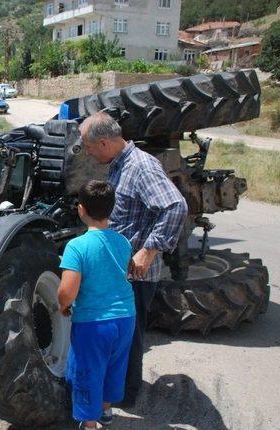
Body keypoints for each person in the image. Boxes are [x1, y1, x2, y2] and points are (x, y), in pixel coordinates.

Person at [79, 112, 188, 407]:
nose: (87, 153)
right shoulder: (119, 166)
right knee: (119, 336)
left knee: (129, 338)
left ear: (103, 142)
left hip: (137, 273)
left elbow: (175, 206)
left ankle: (126, 397)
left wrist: (149, 250)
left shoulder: (141, 166)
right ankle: (117, 391)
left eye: (88, 147)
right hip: (120, 271)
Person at [58, 180, 136, 429]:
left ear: (81, 209)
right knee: (115, 365)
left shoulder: (77, 246)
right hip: (126, 317)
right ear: (111, 209)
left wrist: (63, 305)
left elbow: (67, 291)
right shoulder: (123, 242)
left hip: (94, 323)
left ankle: (89, 423)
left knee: (87, 372)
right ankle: (105, 411)